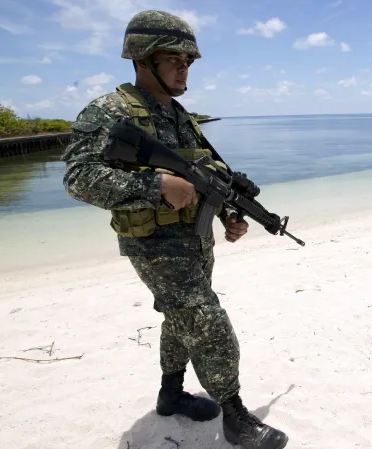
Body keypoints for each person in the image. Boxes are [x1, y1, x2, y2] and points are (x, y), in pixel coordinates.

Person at [60, 10, 288, 449]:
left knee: (179, 318)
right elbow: (77, 179)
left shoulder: (183, 117)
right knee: (207, 321)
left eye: (188, 62)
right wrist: (157, 185)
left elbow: (206, 178)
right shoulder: (109, 110)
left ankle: (171, 394)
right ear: (143, 59)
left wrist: (228, 215)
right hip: (153, 242)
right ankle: (236, 416)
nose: (184, 70)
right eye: (174, 60)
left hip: (195, 241)